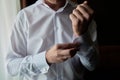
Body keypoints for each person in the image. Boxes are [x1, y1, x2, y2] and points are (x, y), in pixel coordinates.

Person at [6, 0, 99, 80]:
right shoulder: (24, 16)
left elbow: (92, 66)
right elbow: (12, 67)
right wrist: (46, 58)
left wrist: (82, 35)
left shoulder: (83, 16)